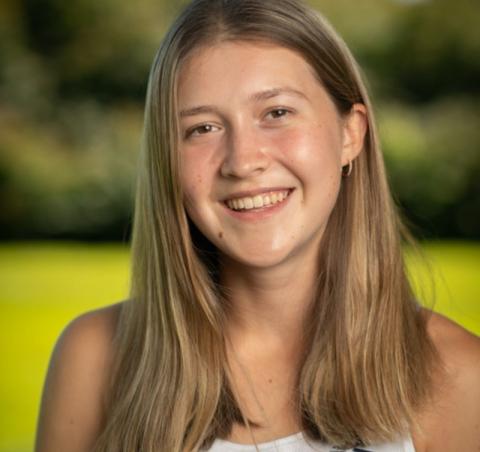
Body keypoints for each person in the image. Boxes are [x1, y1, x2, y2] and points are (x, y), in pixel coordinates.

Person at [35, 0, 480, 451]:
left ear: (351, 134)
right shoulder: (93, 358)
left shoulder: (459, 377)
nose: (243, 161)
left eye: (277, 113)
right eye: (202, 128)